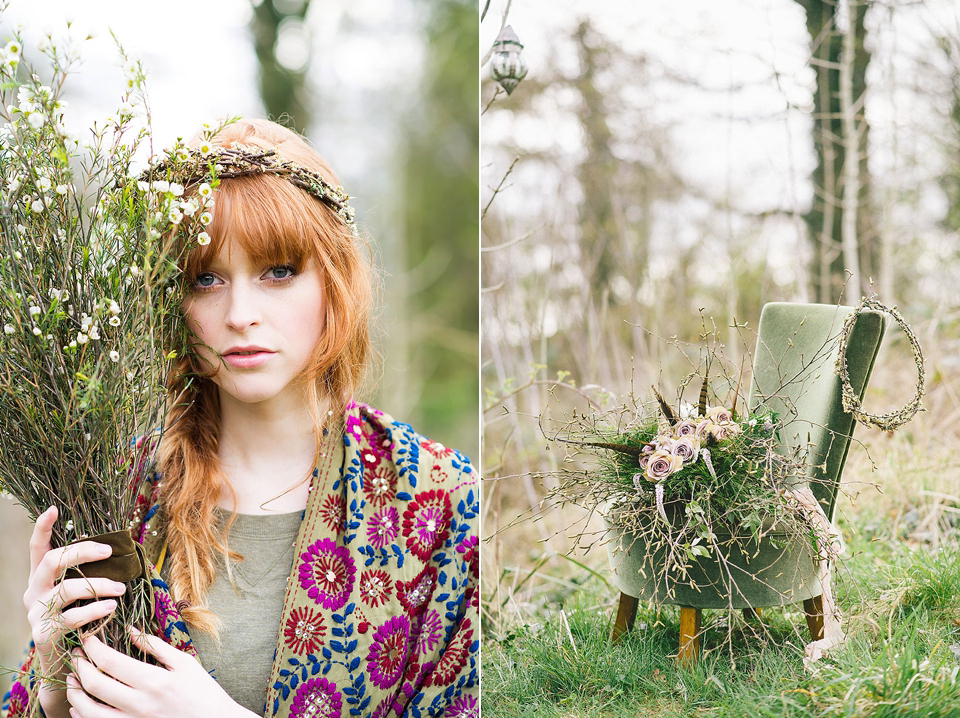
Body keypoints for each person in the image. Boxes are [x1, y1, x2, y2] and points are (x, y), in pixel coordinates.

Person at [3, 118, 479, 718]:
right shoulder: (121, 484)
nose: (240, 314)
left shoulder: (436, 500)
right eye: (207, 279)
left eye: (278, 271)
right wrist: (52, 680)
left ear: (334, 283)